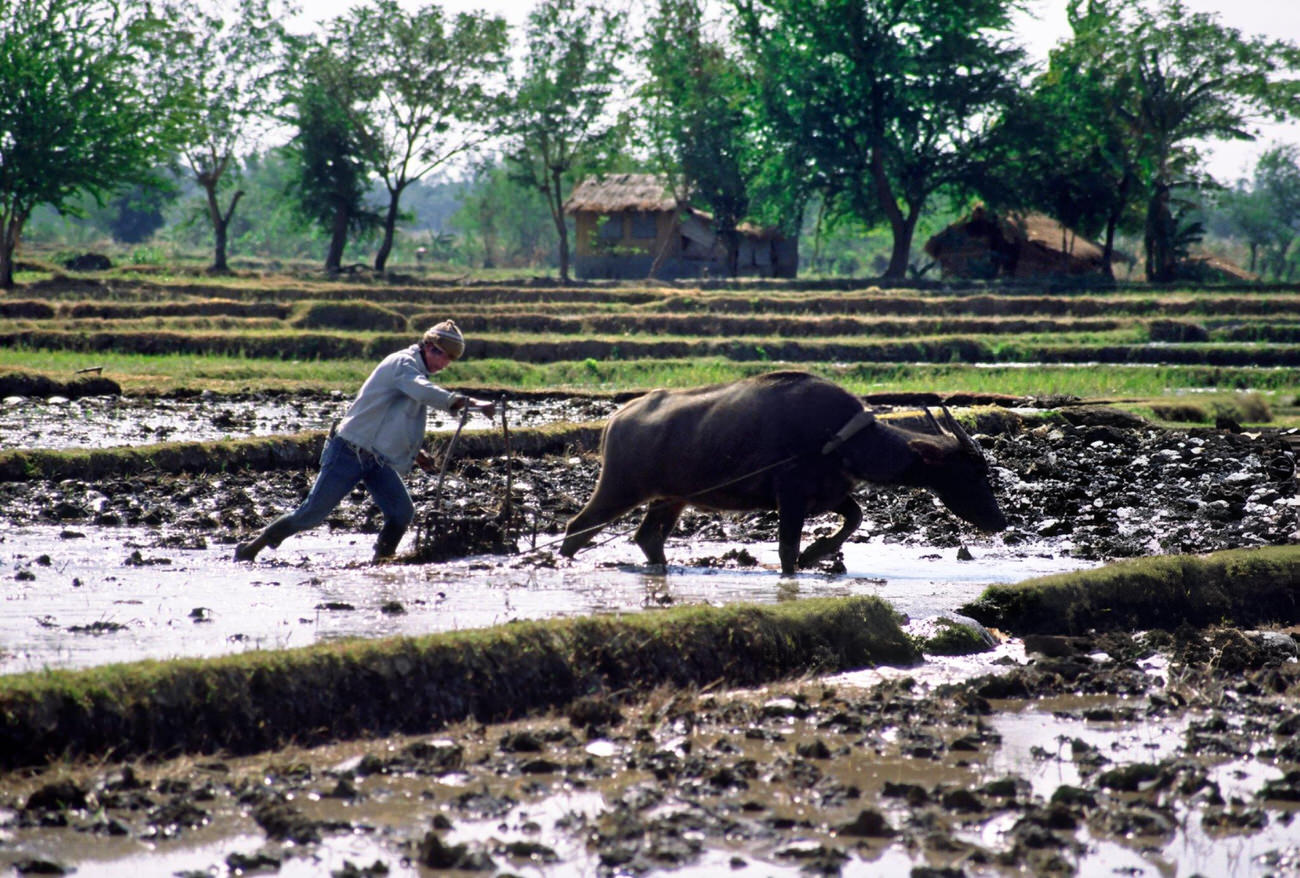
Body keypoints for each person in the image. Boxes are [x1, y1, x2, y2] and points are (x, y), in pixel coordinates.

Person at [234, 320, 496, 563]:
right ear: (429, 346)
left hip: (376, 458)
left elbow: (395, 421)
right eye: (444, 355)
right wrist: (468, 402)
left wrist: (417, 454)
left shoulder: (416, 371)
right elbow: (422, 391)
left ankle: (382, 561)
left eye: (450, 359)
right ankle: (252, 547)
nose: (445, 363)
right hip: (348, 451)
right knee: (311, 514)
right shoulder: (403, 365)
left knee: (402, 513)